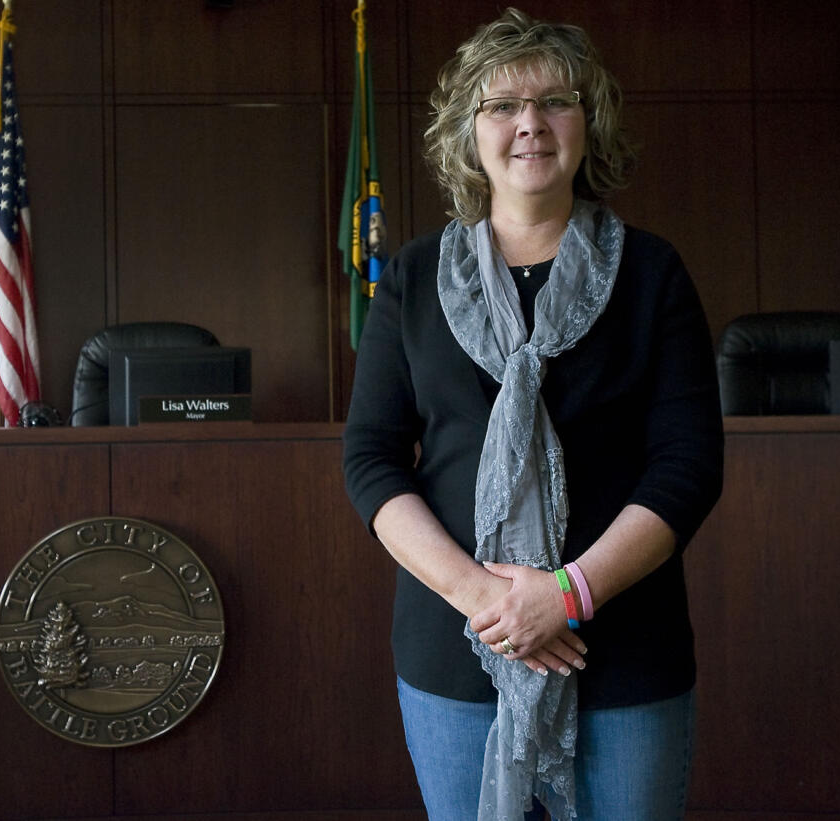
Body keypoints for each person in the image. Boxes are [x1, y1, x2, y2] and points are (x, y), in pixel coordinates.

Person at [342, 8, 724, 821]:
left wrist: (570, 592)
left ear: (589, 124)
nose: (530, 124)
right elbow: (371, 460)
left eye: (555, 100)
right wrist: (492, 600)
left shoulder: (653, 275)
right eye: (503, 105)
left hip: (622, 652)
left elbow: (687, 466)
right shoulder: (413, 279)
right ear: (467, 132)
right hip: (458, 652)